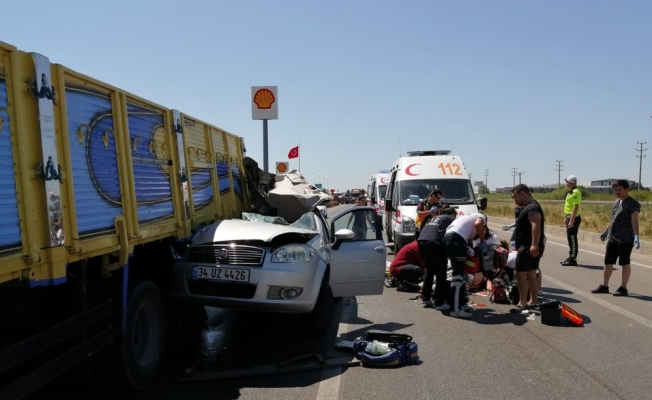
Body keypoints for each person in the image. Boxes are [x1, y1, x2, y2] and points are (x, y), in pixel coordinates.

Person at [591, 180, 641, 297]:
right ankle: (604, 286)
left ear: (627, 189)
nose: (617, 192)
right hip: (613, 237)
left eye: (620, 189)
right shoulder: (616, 202)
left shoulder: (633, 204)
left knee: (624, 263)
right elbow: (613, 219)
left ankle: (623, 288)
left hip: (625, 238)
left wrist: (636, 236)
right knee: (608, 262)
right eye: (615, 190)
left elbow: (635, 221)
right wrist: (607, 230)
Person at [440, 213, 488, 319]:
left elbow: (468, 240)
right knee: (458, 276)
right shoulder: (481, 217)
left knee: (461, 273)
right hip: (456, 239)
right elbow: (478, 224)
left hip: (449, 238)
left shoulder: (465, 221)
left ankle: (461, 304)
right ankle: (455, 309)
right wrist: (483, 240)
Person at [509, 184, 545, 313]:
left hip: (528, 246)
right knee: (531, 274)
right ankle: (533, 301)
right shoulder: (529, 206)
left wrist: (534, 244)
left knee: (519, 274)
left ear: (522, 193)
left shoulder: (532, 207)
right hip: (530, 245)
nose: (515, 200)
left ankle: (522, 303)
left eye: (516, 196)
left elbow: (536, 225)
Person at [417, 205, 456, 307]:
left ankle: (425, 297)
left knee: (429, 271)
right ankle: (439, 302)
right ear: (452, 214)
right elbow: (452, 235)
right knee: (441, 272)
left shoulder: (434, 218)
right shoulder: (449, 218)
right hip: (434, 243)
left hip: (421, 241)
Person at [561, 175, 582, 266]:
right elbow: (569, 207)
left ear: (571, 182)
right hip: (570, 217)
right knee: (570, 238)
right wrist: (567, 218)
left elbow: (575, 207)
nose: (566, 183)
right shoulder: (571, 192)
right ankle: (571, 256)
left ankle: (573, 259)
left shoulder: (576, 192)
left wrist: (571, 220)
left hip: (574, 218)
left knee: (572, 238)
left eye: (567, 182)